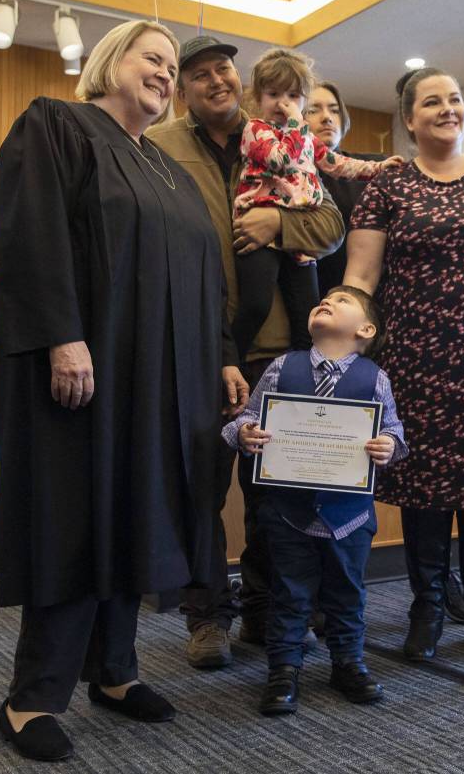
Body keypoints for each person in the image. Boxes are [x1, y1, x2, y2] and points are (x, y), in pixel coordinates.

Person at [0, 21, 231, 761]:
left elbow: (204, 275)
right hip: (86, 371)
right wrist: (62, 333)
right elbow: (29, 235)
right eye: (150, 58)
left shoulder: (170, 170)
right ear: (108, 62)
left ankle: (115, 672)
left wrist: (219, 355)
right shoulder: (58, 126)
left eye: (170, 65)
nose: (164, 71)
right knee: (76, 516)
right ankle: (30, 699)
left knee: (138, 515)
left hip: (163, 381)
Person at [148, 36, 346, 669]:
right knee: (200, 488)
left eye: (223, 69)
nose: (215, 81)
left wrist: (276, 225)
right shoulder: (159, 147)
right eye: (199, 75)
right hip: (199, 347)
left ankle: (266, 613)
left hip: (275, 351)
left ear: (241, 79)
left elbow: (330, 224)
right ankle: (207, 615)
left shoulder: (278, 132)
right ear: (183, 90)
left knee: (274, 494)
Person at [344, 67, 464, 661]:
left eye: (457, 99)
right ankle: (428, 604)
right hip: (415, 358)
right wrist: (344, 344)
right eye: (432, 102)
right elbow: (361, 275)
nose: (449, 109)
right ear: (409, 119)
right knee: (422, 486)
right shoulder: (387, 187)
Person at [223, 286, 407, 715]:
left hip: (349, 516)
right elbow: (247, 418)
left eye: (342, 301)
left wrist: (386, 445)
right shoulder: (280, 367)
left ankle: (349, 663)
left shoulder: (375, 377)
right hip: (288, 512)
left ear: (365, 329)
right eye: (323, 299)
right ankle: (283, 669)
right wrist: (245, 435)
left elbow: (396, 433)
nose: (326, 301)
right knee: (288, 593)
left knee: (348, 593)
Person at [230, 49, 400, 360]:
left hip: (300, 234)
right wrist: (297, 123)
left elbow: (336, 164)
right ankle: (228, 360)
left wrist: (377, 168)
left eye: (293, 96)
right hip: (260, 229)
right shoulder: (255, 129)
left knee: (308, 316)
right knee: (256, 303)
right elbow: (280, 159)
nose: (283, 103)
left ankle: (300, 376)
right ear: (259, 97)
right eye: (274, 94)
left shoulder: (306, 137)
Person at [304, 81, 387, 297]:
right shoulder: (290, 176)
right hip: (311, 298)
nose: (327, 117)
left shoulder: (375, 170)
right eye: (313, 110)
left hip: (371, 302)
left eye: (334, 110)